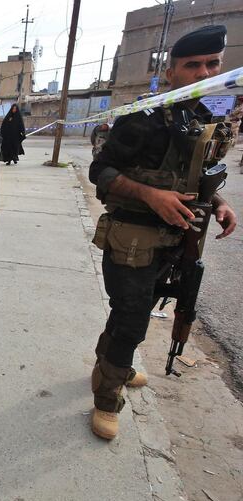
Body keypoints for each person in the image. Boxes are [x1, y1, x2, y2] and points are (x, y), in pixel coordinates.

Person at [88, 25, 237, 440]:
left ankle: (109, 366)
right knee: (132, 319)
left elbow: (196, 177)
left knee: (135, 314)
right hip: (131, 238)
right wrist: (151, 196)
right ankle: (106, 398)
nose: (204, 73)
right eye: (193, 65)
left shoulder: (202, 117)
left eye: (212, 64)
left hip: (175, 240)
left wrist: (219, 204)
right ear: (170, 73)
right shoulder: (143, 117)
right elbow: (100, 172)